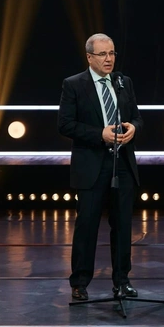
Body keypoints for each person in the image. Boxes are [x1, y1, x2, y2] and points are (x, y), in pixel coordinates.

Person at [58, 33, 143, 301]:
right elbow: (65, 124)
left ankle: (122, 281)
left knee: (123, 226)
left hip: (122, 163)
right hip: (92, 165)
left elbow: (137, 117)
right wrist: (100, 134)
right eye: (103, 54)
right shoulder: (74, 84)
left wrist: (133, 128)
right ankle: (80, 282)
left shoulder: (123, 82)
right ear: (89, 57)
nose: (109, 59)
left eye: (112, 53)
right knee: (87, 226)